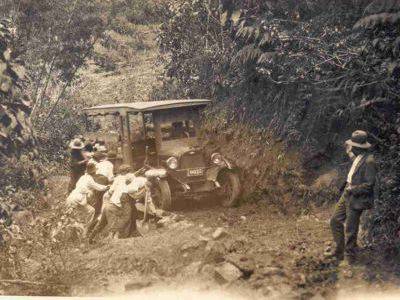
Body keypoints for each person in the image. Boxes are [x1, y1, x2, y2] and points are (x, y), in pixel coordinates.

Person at [330, 130, 377, 261]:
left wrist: (353, 189)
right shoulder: (359, 156)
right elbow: (355, 163)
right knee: (335, 220)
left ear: (358, 147)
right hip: (347, 192)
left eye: (352, 146)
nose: (351, 148)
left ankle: (350, 258)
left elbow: (369, 185)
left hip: (356, 196)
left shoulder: (369, 161)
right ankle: (339, 251)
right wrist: (349, 152)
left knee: (351, 229)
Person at [88, 164, 146, 243]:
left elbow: (111, 190)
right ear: (128, 171)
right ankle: (115, 237)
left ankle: (90, 238)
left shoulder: (118, 178)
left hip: (110, 202)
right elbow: (133, 187)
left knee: (101, 223)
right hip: (120, 201)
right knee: (125, 218)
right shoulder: (134, 179)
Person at [66, 163, 109, 233]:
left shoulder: (82, 177)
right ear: (94, 172)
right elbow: (98, 187)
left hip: (71, 196)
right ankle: (85, 230)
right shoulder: (90, 179)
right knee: (91, 211)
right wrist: (107, 187)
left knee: (70, 216)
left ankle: (73, 230)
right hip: (78, 198)